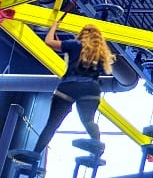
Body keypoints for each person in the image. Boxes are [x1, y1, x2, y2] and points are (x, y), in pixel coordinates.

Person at [33, 21, 114, 154]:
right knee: (88, 121)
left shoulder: (75, 44)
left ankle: (35, 154)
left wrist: (54, 26)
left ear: (83, 34)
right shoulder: (102, 53)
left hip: (69, 86)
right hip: (91, 89)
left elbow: (49, 42)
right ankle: (97, 148)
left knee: (52, 124)